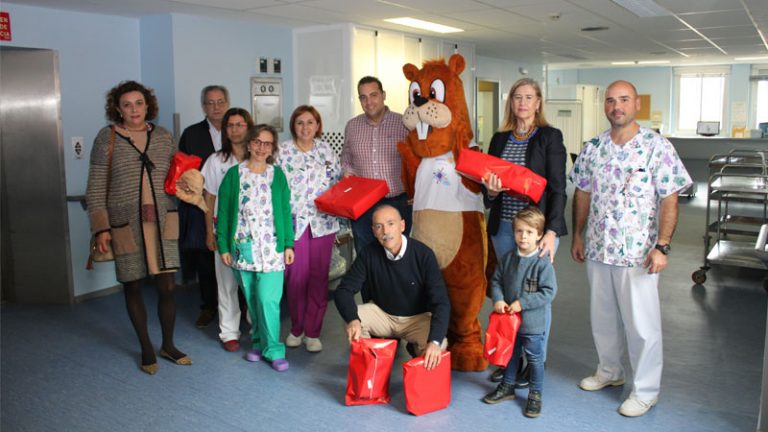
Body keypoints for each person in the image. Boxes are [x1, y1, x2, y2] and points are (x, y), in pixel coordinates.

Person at [570, 80, 692, 417]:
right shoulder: (593, 147)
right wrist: (578, 235)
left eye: (623, 100)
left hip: (637, 253)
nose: (616, 106)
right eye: (610, 101)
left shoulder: (657, 147)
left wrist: (662, 246)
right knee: (602, 318)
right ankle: (609, 371)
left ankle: (646, 390)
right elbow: (582, 191)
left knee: (642, 325)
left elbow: (670, 197)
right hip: (598, 248)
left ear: (637, 103)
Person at [86, 80, 190, 375]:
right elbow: (95, 186)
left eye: (139, 103)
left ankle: (168, 345)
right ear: (117, 108)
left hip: (163, 221)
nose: (134, 109)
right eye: (127, 104)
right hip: (125, 224)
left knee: (167, 286)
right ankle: (146, 347)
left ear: (148, 106)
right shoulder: (106, 138)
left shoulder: (164, 137)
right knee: (132, 285)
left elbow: (177, 176)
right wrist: (101, 228)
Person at [482, 78, 567, 384]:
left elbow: (558, 188)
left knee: (532, 297)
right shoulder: (499, 139)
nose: (522, 103)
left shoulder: (549, 137)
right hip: (503, 228)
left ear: (538, 102)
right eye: (517, 97)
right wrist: (490, 192)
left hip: (538, 232)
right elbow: (489, 191)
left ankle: (534, 361)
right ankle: (510, 360)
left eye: (528, 97)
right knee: (507, 295)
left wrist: (552, 231)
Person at [216, 124, 294, 372]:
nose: (262, 148)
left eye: (268, 143)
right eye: (258, 142)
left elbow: (284, 211)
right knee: (252, 299)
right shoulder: (234, 175)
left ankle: (274, 349)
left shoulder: (277, 175)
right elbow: (224, 213)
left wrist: (288, 243)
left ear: (273, 148)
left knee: (267, 299)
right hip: (242, 247)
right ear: (249, 144)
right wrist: (223, 246)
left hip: (272, 249)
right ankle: (259, 344)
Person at [333, 204, 450, 370]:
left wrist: (435, 341)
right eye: (379, 226)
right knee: (352, 320)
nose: (385, 232)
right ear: (373, 231)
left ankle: (416, 349)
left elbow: (441, 302)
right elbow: (343, 291)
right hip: (384, 315)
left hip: (416, 319)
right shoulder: (368, 254)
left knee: (440, 344)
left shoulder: (423, 254)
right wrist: (353, 320)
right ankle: (373, 371)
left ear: (402, 225)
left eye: (390, 224)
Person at [482, 207, 557, 418]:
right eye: (519, 231)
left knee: (534, 359)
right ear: (514, 232)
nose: (524, 236)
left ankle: (535, 394)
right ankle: (507, 386)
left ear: (540, 235)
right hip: (509, 324)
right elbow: (496, 280)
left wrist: (522, 303)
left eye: (530, 232)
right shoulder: (508, 258)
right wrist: (498, 299)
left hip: (533, 325)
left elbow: (549, 292)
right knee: (511, 356)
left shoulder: (543, 263)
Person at [276, 105, 340, 352]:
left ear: (317, 125)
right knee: (294, 279)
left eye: (310, 122)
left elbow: (337, 183)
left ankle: (313, 332)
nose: (305, 127)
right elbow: (275, 187)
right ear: (293, 125)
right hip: (294, 224)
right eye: (300, 122)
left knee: (318, 279)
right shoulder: (283, 151)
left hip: (323, 224)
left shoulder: (325, 150)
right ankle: (296, 328)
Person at [200, 108, 254, 352]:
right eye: (230, 125)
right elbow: (208, 198)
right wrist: (210, 232)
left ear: (248, 126)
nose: (234, 129)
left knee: (254, 284)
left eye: (239, 124)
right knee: (226, 284)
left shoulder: (260, 159)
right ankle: (229, 332)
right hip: (224, 230)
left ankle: (257, 328)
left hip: (255, 233)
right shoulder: (216, 161)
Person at [178, 85, 230, 329]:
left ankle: (239, 305)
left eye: (220, 102)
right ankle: (209, 306)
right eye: (210, 103)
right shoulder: (191, 134)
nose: (216, 107)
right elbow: (182, 171)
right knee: (206, 258)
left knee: (235, 258)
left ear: (227, 103)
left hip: (235, 207)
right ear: (203, 107)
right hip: (203, 205)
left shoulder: (238, 129)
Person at [341, 76, 410, 255]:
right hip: (362, 203)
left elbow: (413, 160)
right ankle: (370, 284)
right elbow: (346, 156)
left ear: (383, 95)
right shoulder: (352, 126)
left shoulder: (403, 123)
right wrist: (347, 171)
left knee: (398, 252)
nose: (369, 102)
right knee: (365, 253)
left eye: (373, 95)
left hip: (396, 201)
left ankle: (396, 284)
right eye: (363, 97)